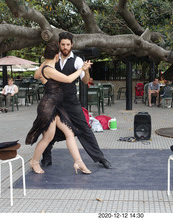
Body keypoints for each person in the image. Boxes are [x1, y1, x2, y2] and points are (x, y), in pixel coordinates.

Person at [35, 32, 112, 169]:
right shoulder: (53, 59)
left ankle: (100, 158)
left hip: (71, 101)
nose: (65, 47)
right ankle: (46, 158)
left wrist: (86, 70)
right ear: (59, 45)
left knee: (85, 129)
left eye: (68, 44)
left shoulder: (77, 61)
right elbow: (37, 74)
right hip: (54, 102)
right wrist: (45, 62)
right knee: (48, 130)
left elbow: (85, 80)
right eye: (63, 44)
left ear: (72, 45)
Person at [25, 42, 93, 174]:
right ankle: (34, 161)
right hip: (48, 107)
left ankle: (78, 162)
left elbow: (35, 75)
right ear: (57, 55)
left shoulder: (47, 66)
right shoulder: (49, 69)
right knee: (48, 137)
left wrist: (46, 59)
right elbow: (68, 79)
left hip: (56, 106)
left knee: (69, 133)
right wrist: (82, 69)